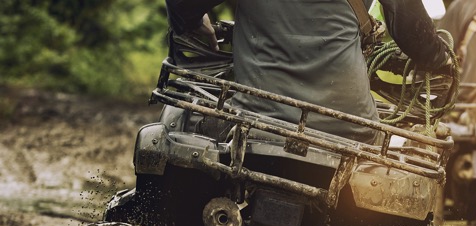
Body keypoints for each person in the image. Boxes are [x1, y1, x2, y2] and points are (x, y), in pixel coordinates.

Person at [165, 0, 451, 143]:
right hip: (351, 128)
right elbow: (414, 36)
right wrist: (442, 59)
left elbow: (181, 5)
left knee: (175, 121)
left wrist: (194, 21)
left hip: (256, 122)